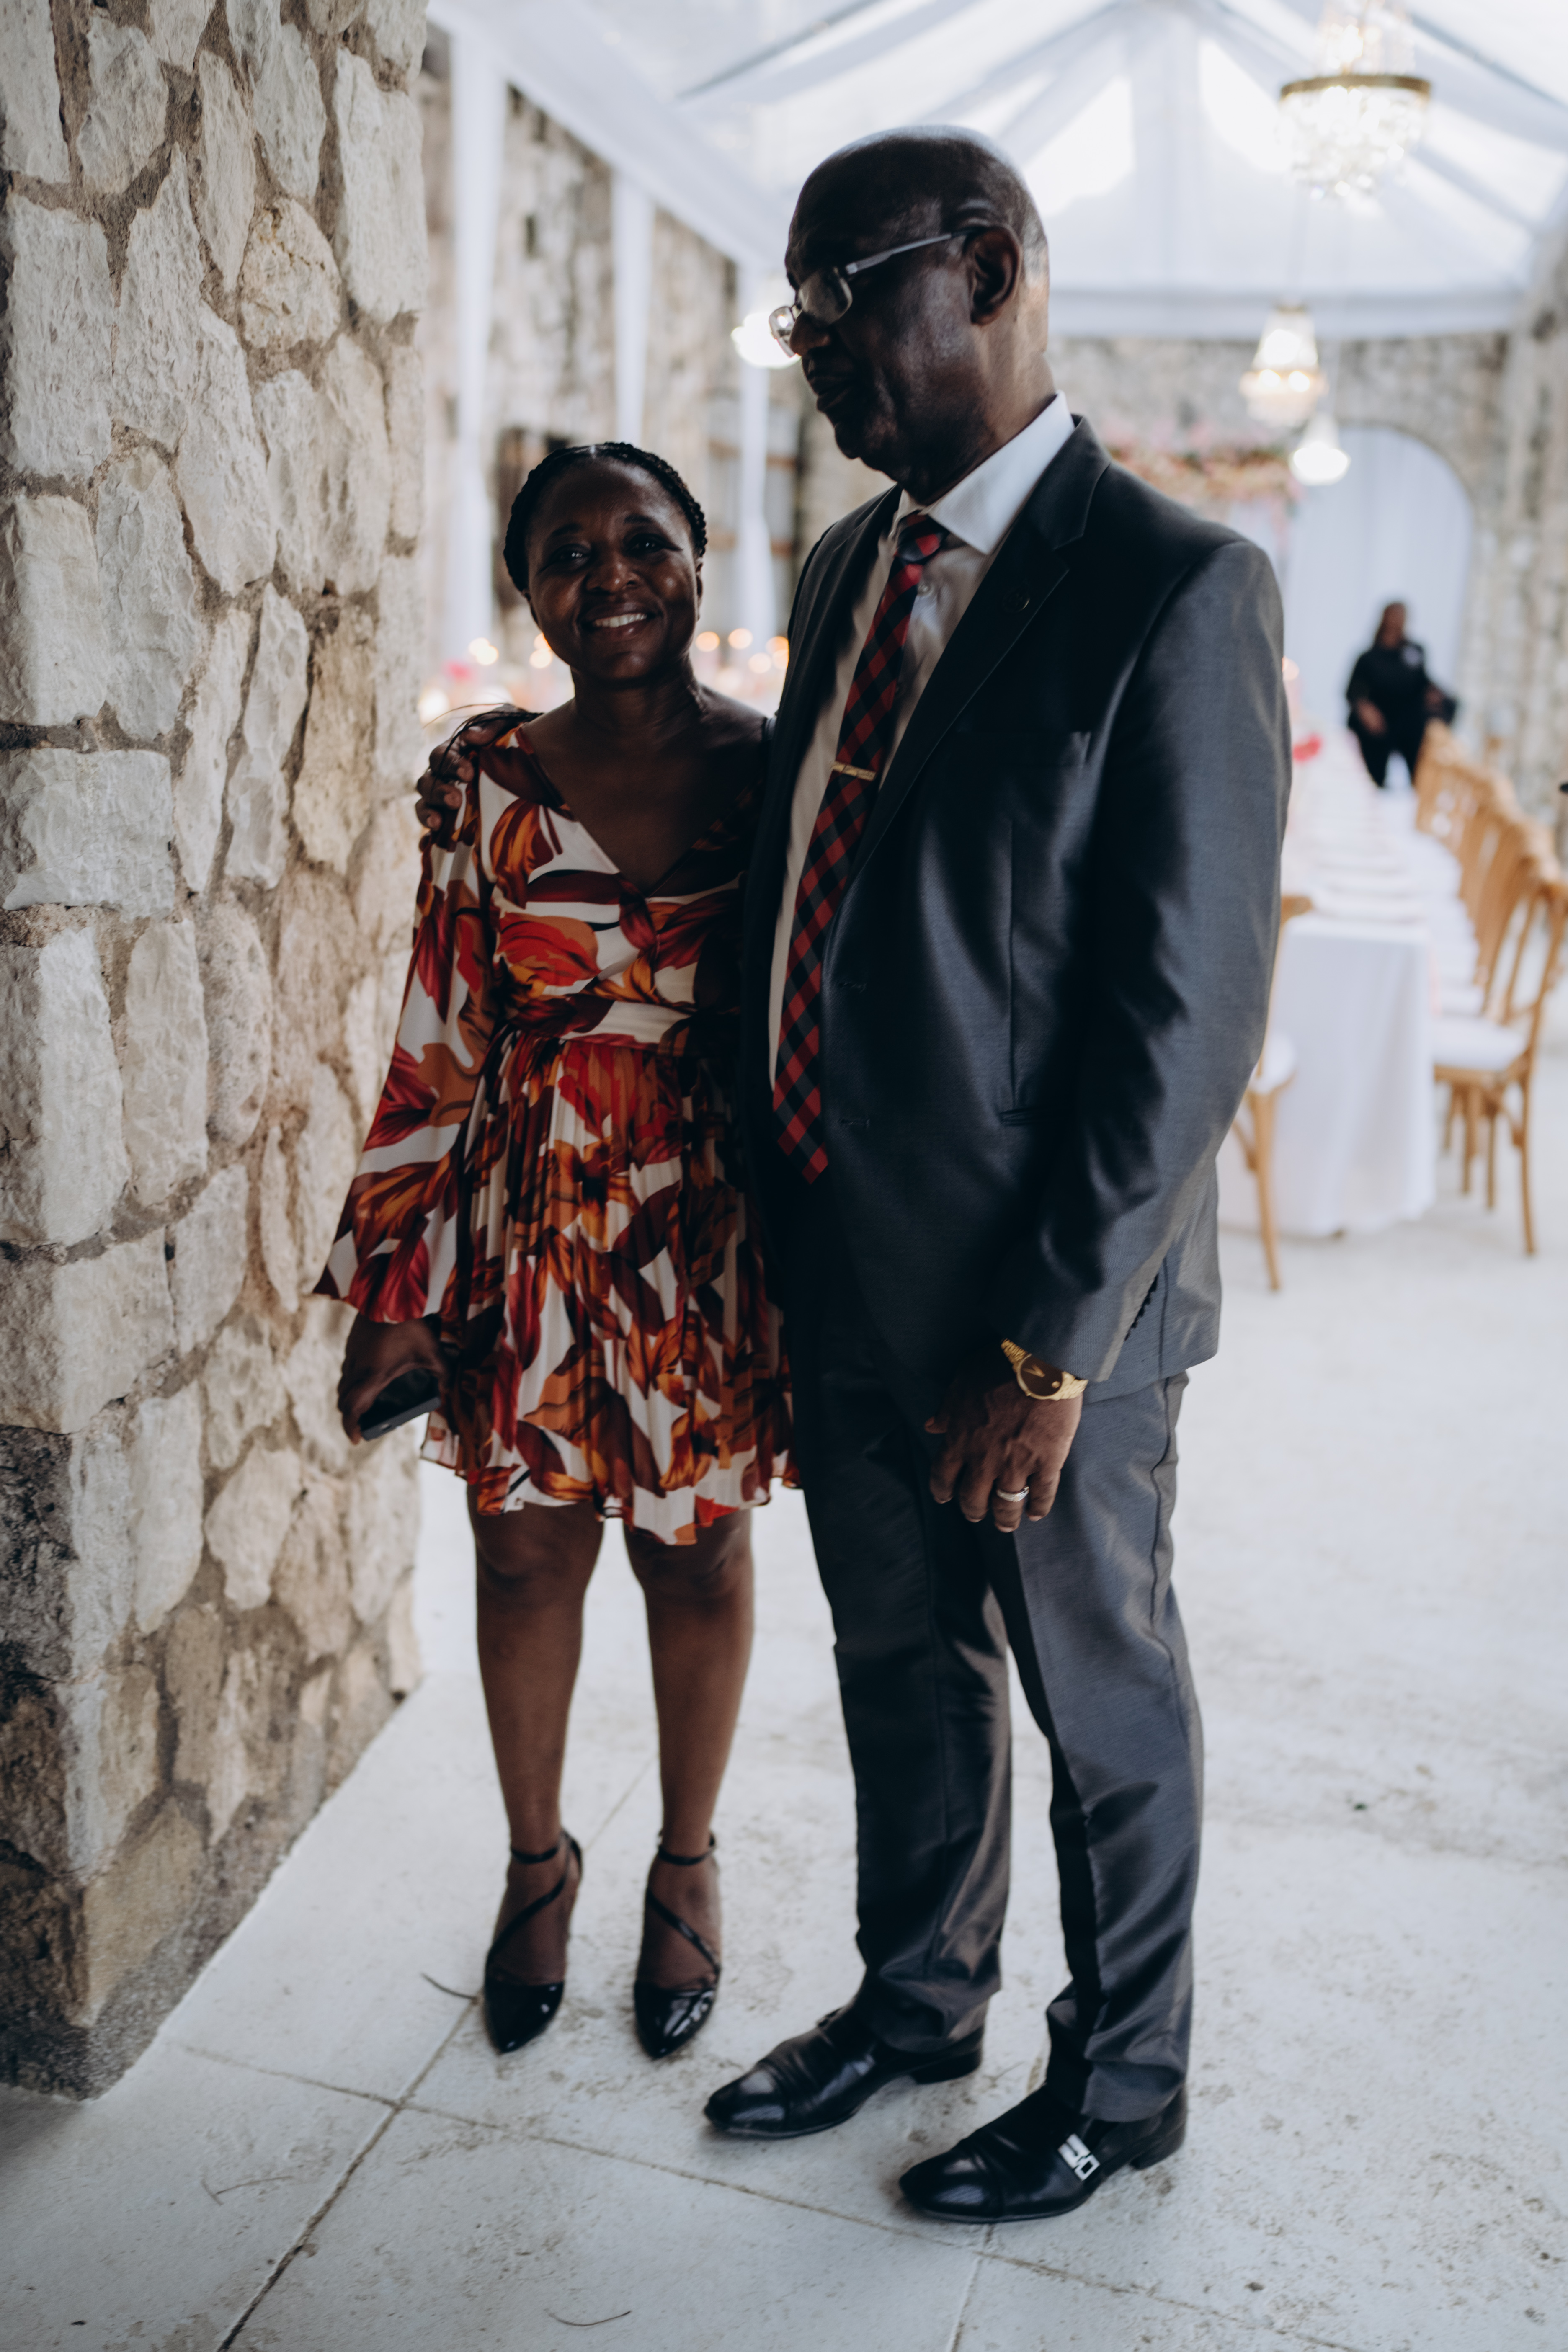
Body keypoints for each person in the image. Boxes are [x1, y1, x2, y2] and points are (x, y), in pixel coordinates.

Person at [696, 129, 1291, 2223]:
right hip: (844, 1258)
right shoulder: (849, 567)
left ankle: (1122, 2085)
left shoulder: (1174, 585)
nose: (811, 347)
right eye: (793, 311)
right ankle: (918, 1999)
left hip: (1050, 1314)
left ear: (988, 265)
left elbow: (1182, 1017)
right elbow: (813, 882)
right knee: (896, 1660)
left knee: (1095, 1694)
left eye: (840, 297)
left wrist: (1048, 1346)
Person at [320, 442, 791, 2066]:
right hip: (527, 1219)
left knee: (694, 1554)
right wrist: (390, 1285)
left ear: (698, 559)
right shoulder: (488, 780)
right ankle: (537, 1864)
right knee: (520, 1553)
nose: (612, 578)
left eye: (642, 541)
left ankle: (686, 1860)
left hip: (710, 1228)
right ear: (528, 589)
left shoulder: (780, 773)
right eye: (568, 554)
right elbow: (437, 1040)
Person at [1347, 601, 1456, 786]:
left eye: (1402, 617)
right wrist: (1365, 709)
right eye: (1394, 616)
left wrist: (1434, 694)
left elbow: (1423, 682)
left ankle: (1424, 785)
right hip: (1379, 722)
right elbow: (1353, 692)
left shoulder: (1414, 652)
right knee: (1373, 768)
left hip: (1408, 720)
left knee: (1428, 727)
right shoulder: (1369, 658)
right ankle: (1374, 783)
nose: (1398, 621)